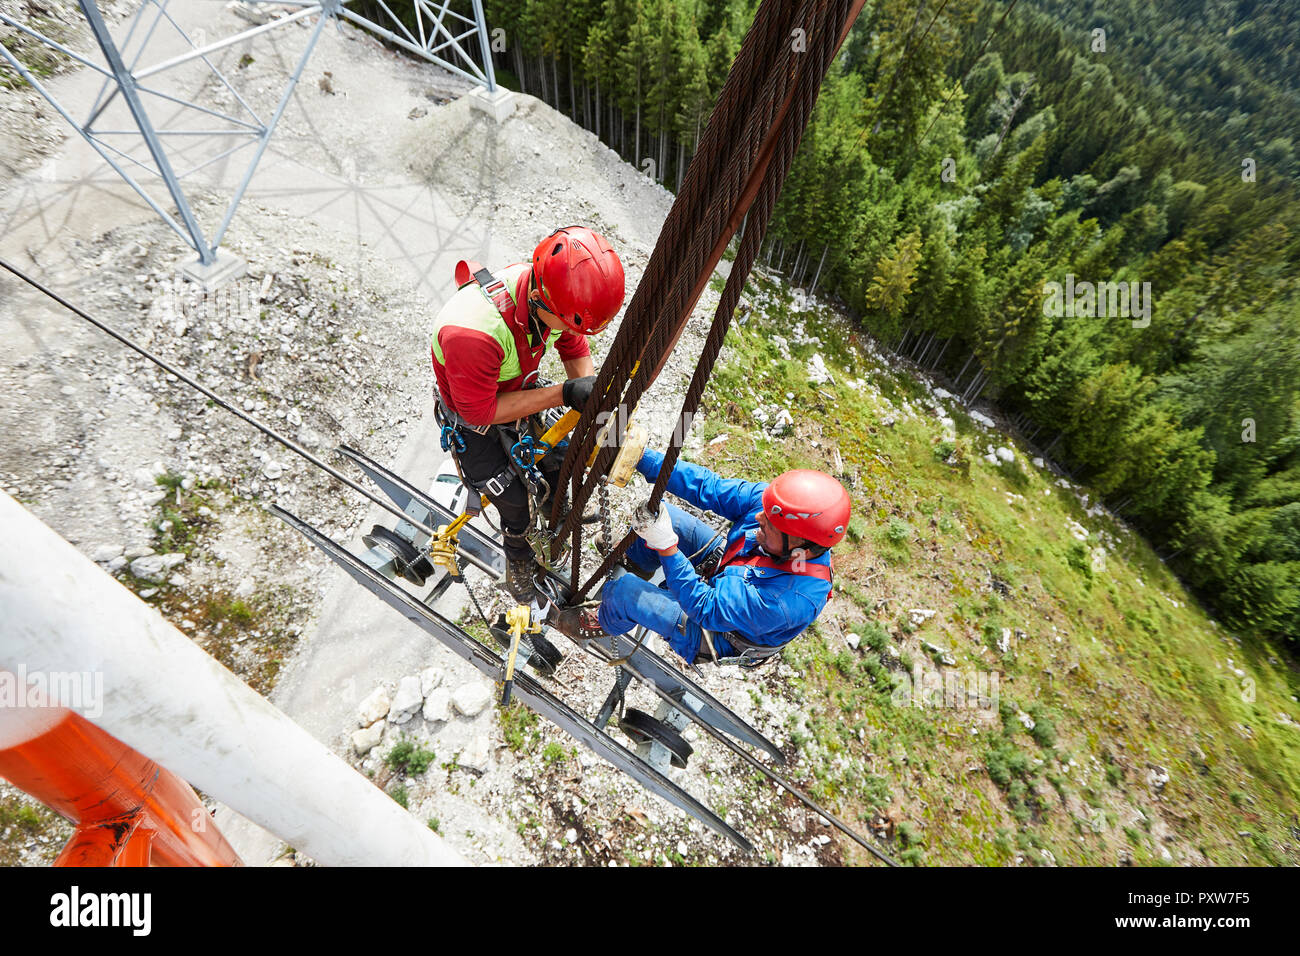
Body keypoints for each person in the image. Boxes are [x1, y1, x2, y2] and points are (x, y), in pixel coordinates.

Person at [431, 226, 625, 601]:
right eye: (566, 321)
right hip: (473, 417)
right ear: (538, 299)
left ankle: (554, 519)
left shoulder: (554, 297)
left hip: (514, 391)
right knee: (515, 502)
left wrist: (592, 404)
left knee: (560, 463)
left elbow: (572, 341)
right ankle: (519, 561)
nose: (568, 328)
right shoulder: (472, 332)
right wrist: (565, 393)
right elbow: (482, 410)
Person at [556, 447, 850, 666]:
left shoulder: (788, 601)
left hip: (717, 631)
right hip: (732, 572)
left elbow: (706, 608)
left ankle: (603, 622)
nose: (759, 516)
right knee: (665, 515)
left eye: (771, 524)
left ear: (799, 544)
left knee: (623, 592)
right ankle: (635, 564)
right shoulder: (775, 510)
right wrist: (640, 458)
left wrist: (668, 547)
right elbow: (708, 488)